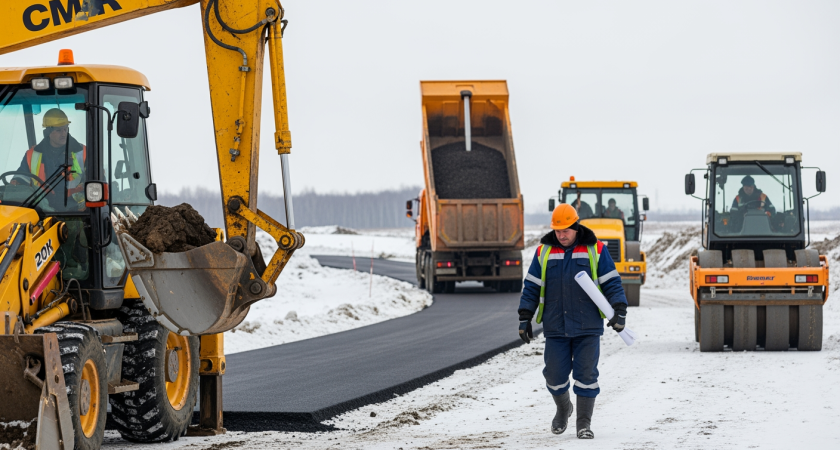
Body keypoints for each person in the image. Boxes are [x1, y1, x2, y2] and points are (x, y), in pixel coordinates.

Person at [518, 203, 627, 440]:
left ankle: (583, 423)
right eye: (558, 231)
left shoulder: (596, 249)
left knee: (587, 375)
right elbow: (532, 286)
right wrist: (525, 316)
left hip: (587, 326)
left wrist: (619, 308)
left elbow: (611, 281)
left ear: (576, 226)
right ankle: (563, 407)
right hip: (555, 326)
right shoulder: (543, 252)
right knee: (554, 376)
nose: (561, 235)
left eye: (566, 230)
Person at [15, 108, 86, 208]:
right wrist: (13, 187)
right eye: (59, 130)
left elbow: (96, 183)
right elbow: (20, 180)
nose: (64, 133)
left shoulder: (82, 152)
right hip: (42, 209)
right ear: (47, 132)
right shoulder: (32, 155)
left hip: (77, 212)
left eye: (65, 128)